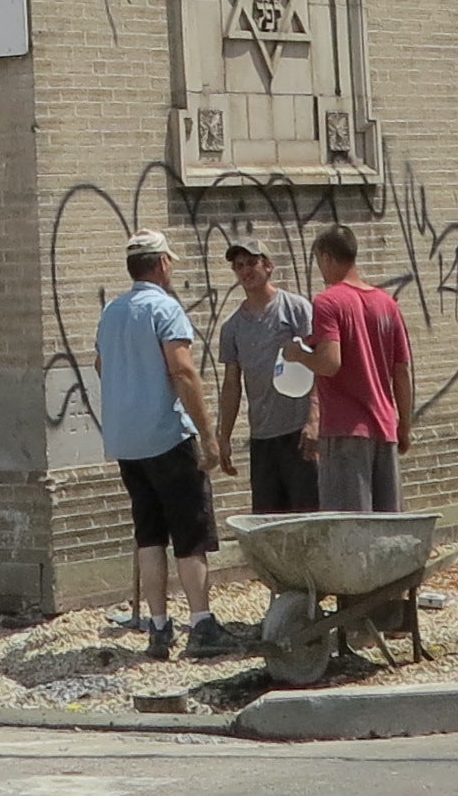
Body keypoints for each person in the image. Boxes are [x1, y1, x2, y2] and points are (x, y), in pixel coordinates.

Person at [90, 231, 230, 656]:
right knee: (190, 533)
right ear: (162, 264)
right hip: (167, 435)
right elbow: (183, 371)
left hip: (126, 442)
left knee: (149, 534)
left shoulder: (111, 312)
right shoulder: (164, 308)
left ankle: (158, 626)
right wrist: (208, 437)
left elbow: (100, 365)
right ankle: (201, 624)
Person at [210, 237, 321, 516]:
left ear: (268, 266)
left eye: (252, 263)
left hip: (299, 431)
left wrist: (315, 419)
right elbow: (232, 384)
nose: (245, 271)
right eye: (239, 266)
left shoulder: (295, 309)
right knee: (269, 521)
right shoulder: (232, 328)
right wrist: (223, 436)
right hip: (263, 437)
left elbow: (319, 363)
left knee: (309, 516)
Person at [306, 223, 411, 515]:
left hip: (344, 431)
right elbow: (400, 370)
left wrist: (298, 355)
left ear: (326, 257)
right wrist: (405, 425)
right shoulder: (387, 304)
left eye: (319, 262)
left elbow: (330, 363)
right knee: (388, 527)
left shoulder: (328, 301)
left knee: (350, 528)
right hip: (384, 428)